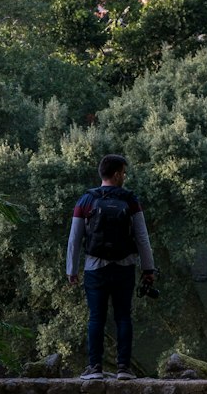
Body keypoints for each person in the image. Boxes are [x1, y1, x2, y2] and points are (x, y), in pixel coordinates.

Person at [66, 153, 155, 380]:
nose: (124, 176)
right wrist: (148, 269)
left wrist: (72, 270)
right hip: (125, 267)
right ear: (116, 174)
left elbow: (74, 239)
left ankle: (94, 368)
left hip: (95, 268)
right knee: (123, 316)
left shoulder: (85, 200)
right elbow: (142, 238)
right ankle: (123, 368)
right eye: (124, 172)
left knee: (96, 318)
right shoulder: (131, 200)